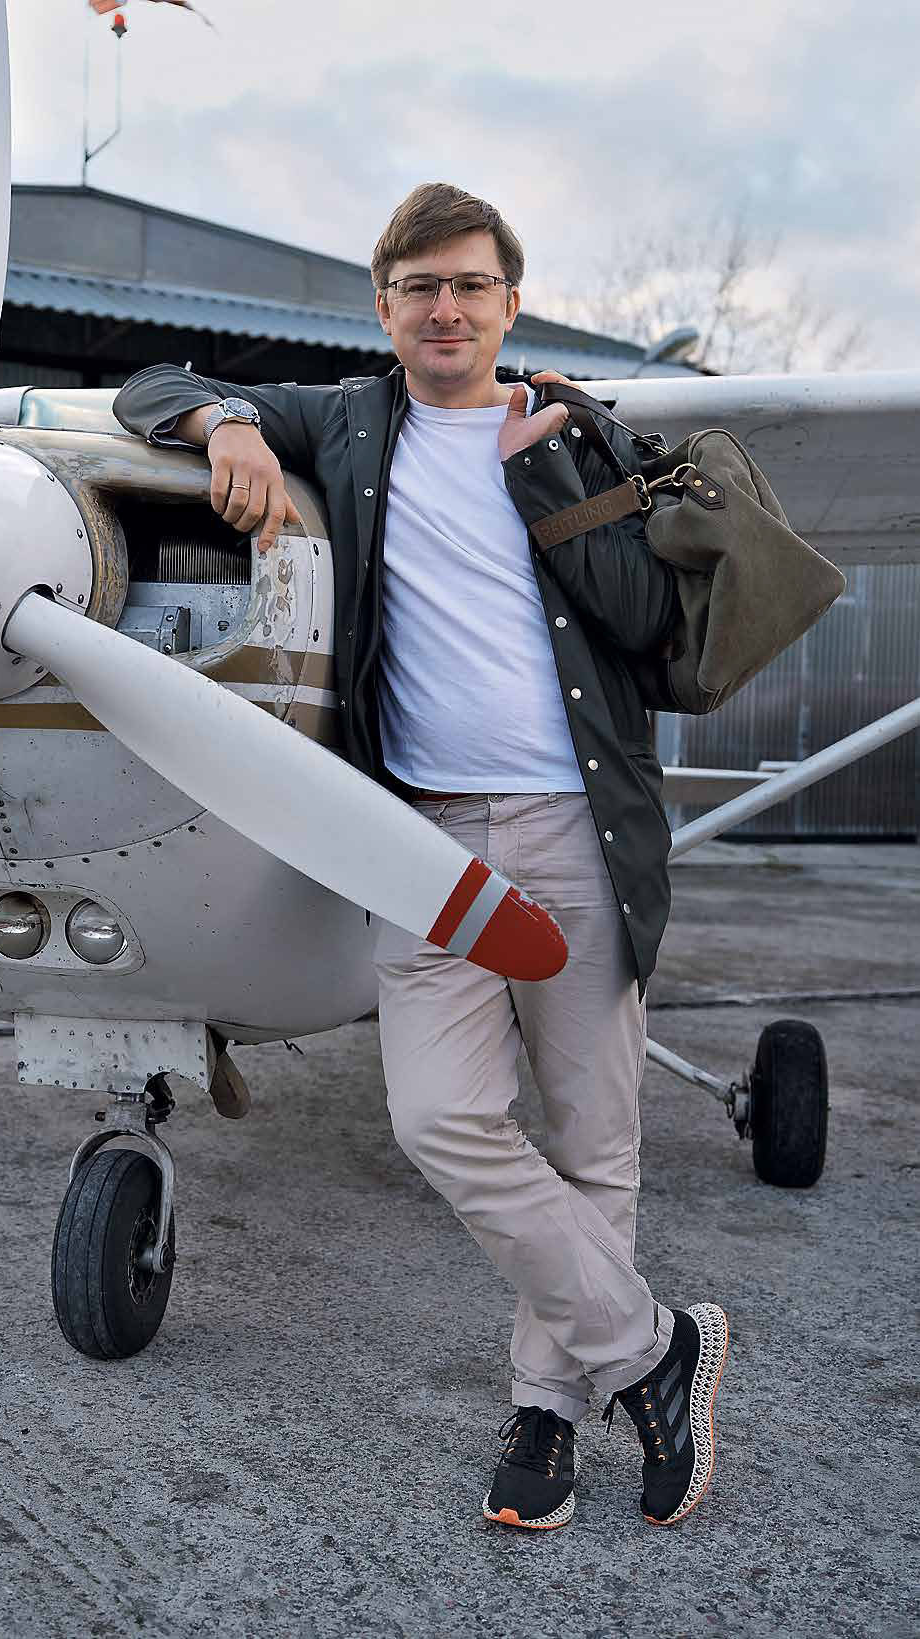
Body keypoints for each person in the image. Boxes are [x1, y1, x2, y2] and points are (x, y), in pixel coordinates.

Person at [112, 181, 729, 1531]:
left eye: (469, 285)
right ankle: (650, 1354)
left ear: (509, 302)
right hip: (423, 841)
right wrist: (227, 425)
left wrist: (544, 480)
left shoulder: (581, 432)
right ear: (383, 307)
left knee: (590, 1138)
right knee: (439, 1118)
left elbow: (644, 627)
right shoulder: (342, 420)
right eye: (418, 288)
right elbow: (150, 386)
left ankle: (545, 1409)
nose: (445, 309)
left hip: (577, 826)